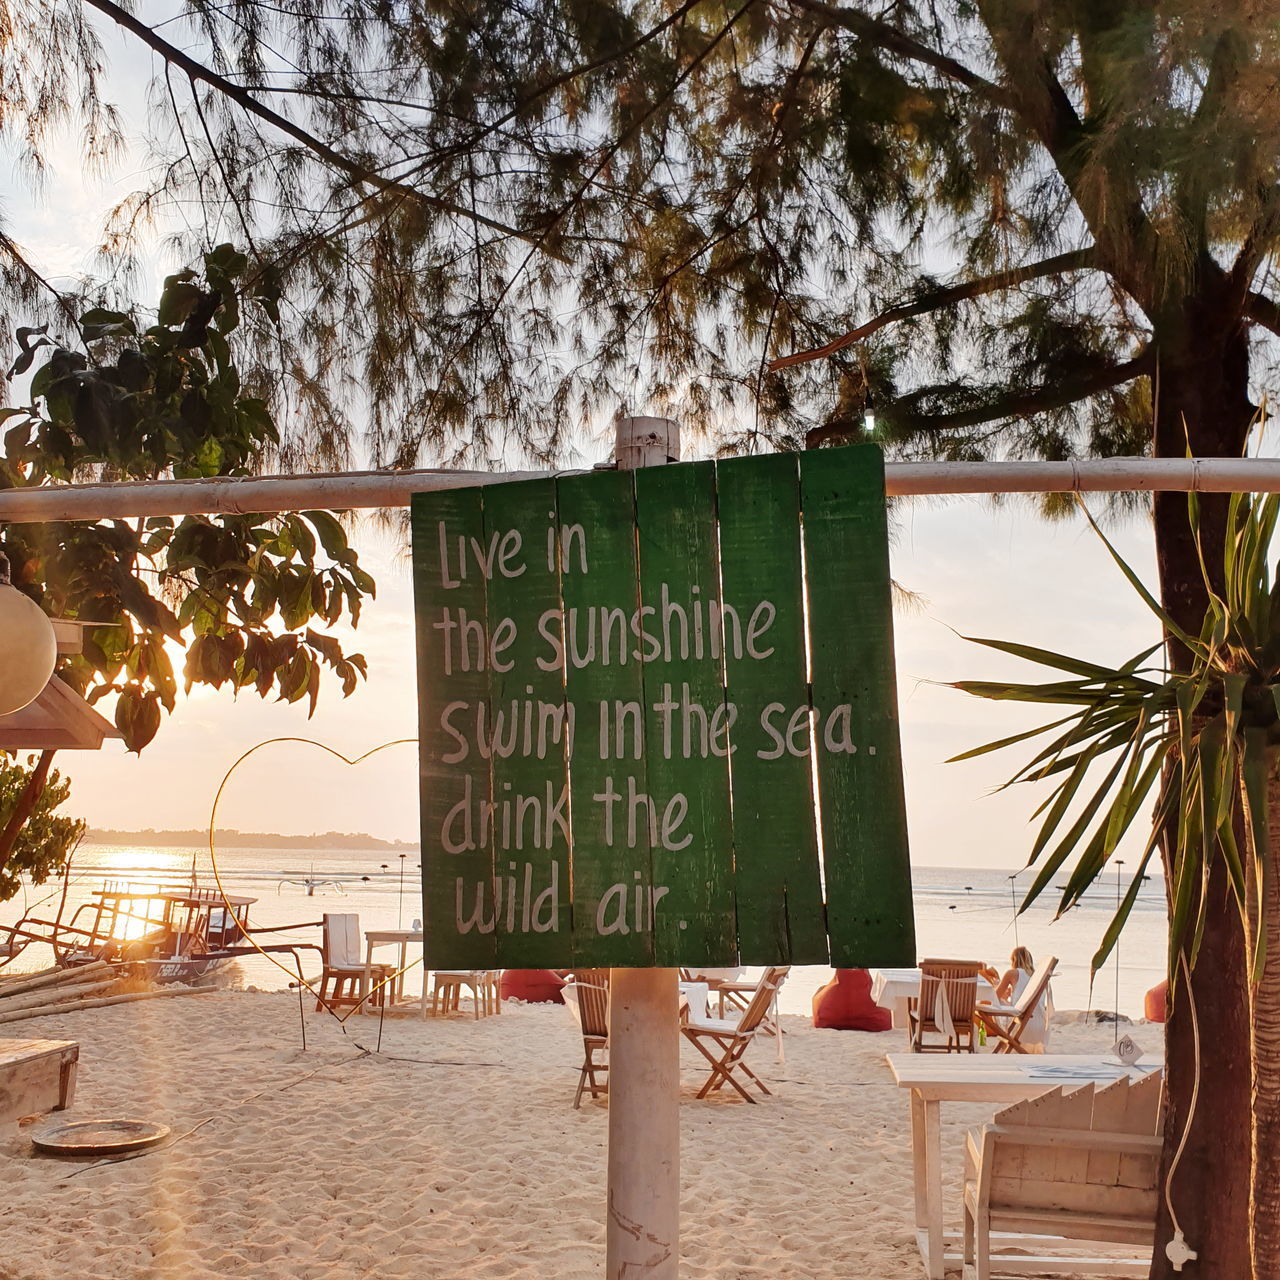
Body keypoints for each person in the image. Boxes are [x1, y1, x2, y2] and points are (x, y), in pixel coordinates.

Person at [979, 947, 1051, 1051]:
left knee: (993, 1003)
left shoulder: (1012, 973)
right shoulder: (1039, 977)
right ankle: (1007, 1039)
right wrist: (1009, 996)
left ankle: (1006, 1038)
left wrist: (997, 989)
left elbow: (994, 997)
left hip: (1022, 1026)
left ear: (1014, 960)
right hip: (1040, 1028)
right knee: (1005, 1003)